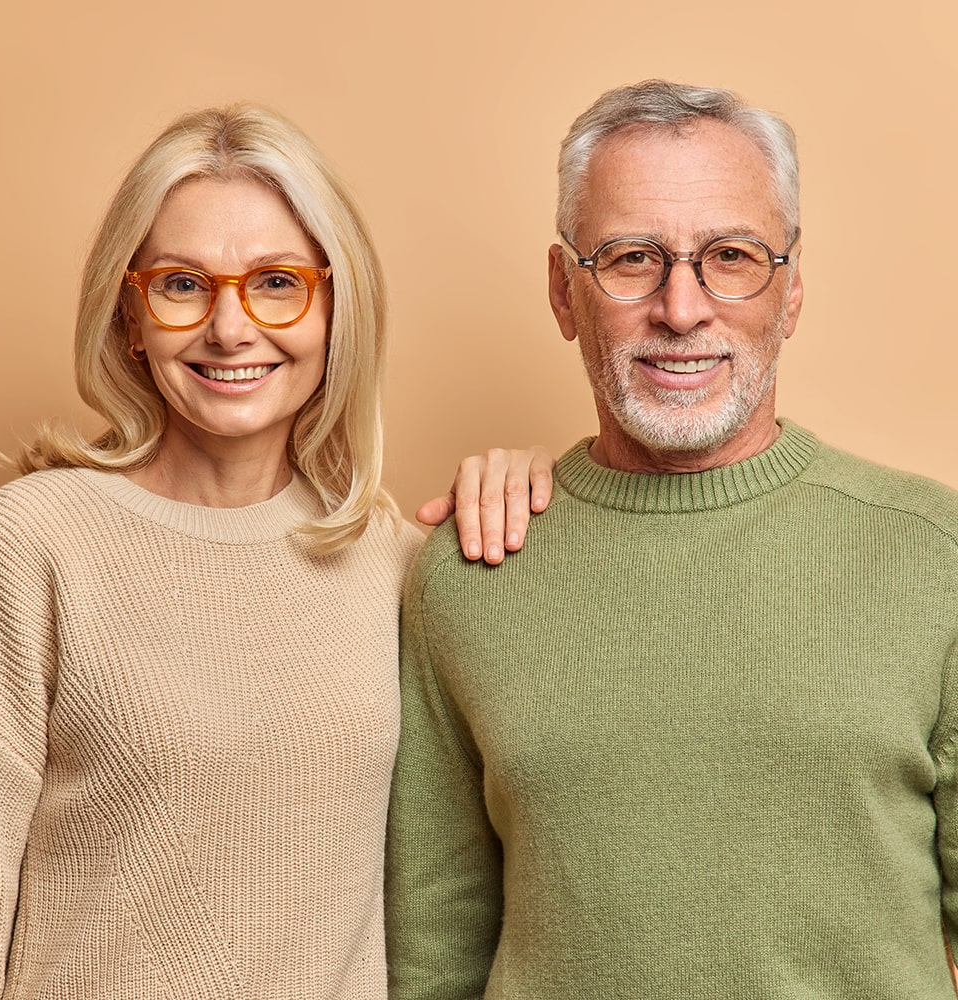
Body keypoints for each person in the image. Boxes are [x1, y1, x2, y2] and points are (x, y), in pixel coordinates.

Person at [0, 103, 553, 1000]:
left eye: (277, 282)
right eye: (182, 284)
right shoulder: (32, 544)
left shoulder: (401, 565)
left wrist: (533, 486)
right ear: (129, 315)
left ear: (334, 310)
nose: (230, 330)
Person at [386, 79, 958, 1000]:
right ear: (563, 291)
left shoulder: (937, 556)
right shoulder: (467, 567)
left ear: (793, 286)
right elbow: (433, 957)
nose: (682, 309)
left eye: (730, 256)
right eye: (630, 258)